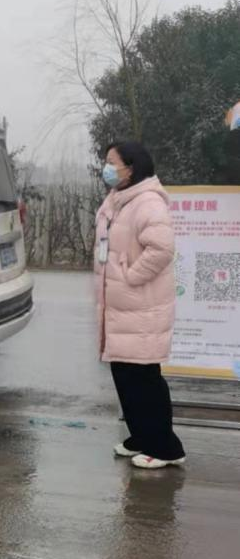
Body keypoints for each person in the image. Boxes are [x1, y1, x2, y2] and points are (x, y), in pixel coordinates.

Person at [94, 141, 185, 469]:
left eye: (112, 162)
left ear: (130, 168)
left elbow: (161, 250)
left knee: (145, 379)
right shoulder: (118, 199)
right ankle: (141, 436)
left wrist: (130, 276)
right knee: (125, 375)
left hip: (141, 306)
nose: (106, 167)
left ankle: (166, 447)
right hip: (120, 308)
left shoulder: (148, 201)